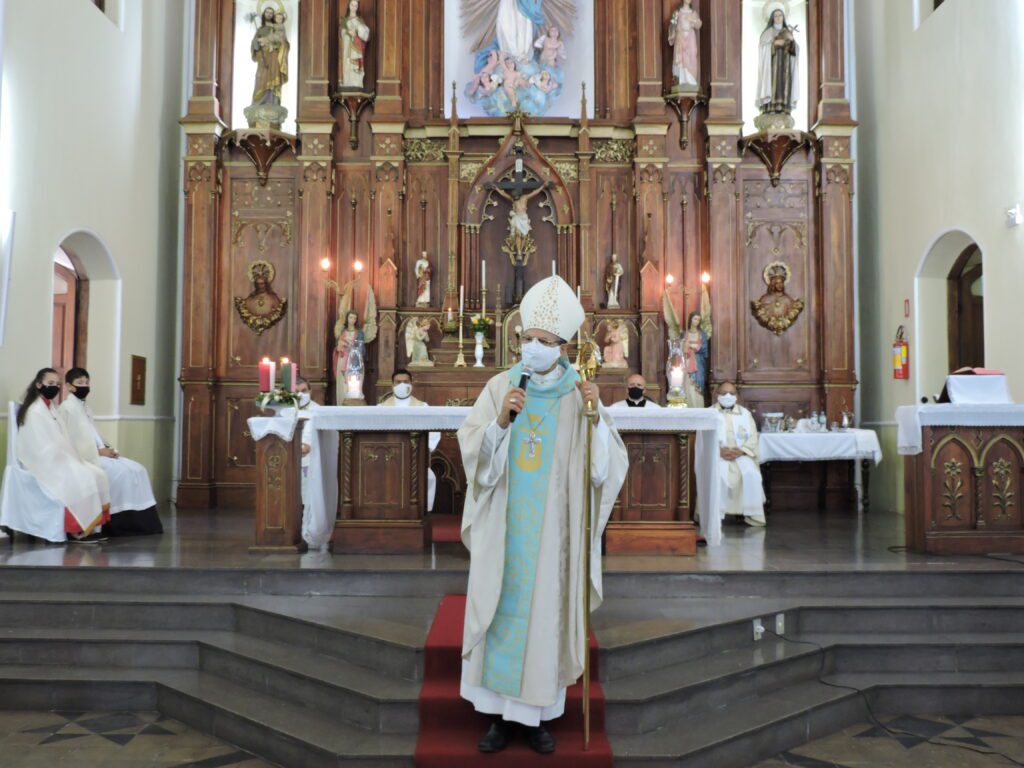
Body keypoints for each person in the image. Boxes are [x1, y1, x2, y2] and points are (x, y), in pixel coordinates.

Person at [458, 276, 628, 754]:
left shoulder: (581, 395)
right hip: (505, 522)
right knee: (500, 606)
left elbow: (605, 470)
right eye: (527, 339)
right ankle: (496, 716)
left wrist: (595, 421)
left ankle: (535, 718)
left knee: (544, 614)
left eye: (543, 342)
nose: (531, 348)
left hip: (554, 530)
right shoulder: (500, 386)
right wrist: (500, 423)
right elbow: (472, 449)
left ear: (565, 347)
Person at [57, 368, 162, 536]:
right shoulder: (66, 408)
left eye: (86, 382)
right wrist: (99, 452)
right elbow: (70, 442)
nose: (84, 386)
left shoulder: (84, 408)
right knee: (120, 474)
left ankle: (141, 523)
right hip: (86, 458)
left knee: (137, 469)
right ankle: (117, 523)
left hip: (98, 453)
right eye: (80, 383)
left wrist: (108, 449)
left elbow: (93, 434)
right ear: (69, 386)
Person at [14, 368, 110, 542]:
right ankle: (76, 530)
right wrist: (62, 456)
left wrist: (69, 455)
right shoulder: (35, 411)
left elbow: (62, 438)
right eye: (50, 384)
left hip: (59, 457)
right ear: (38, 384)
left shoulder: (51, 408)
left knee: (98, 474)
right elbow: (37, 444)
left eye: (57, 384)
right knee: (83, 477)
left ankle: (93, 528)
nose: (55, 387)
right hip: (43, 462)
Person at [380, 370, 437, 511]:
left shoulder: (423, 408)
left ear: (412, 384)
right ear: (392, 385)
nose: (402, 385)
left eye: (405, 382)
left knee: (429, 477)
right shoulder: (381, 409)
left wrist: (427, 449)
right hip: (388, 458)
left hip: (415, 458)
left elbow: (434, 431)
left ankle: (422, 511)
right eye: (398, 382)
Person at [714, 382, 766, 527]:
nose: (728, 396)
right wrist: (718, 451)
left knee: (751, 474)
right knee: (718, 475)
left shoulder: (745, 413)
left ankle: (750, 514)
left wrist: (741, 450)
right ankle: (715, 516)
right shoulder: (710, 413)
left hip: (741, 454)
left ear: (737, 396)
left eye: (731, 393)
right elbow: (703, 438)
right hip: (717, 455)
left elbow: (753, 437)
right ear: (717, 394)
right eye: (724, 393)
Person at [295, 378, 320, 510]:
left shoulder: (317, 410)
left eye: (304, 391)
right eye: (296, 391)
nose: (300, 395)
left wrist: (307, 444)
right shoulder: (286, 410)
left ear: (310, 391)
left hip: (311, 454)